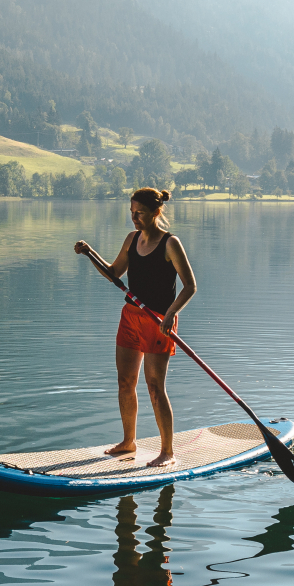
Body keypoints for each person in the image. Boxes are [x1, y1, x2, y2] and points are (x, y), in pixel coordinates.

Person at [73, 187, 197, 467]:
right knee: (125, 382)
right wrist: (90, 252)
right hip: (131, 316)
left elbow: (190, 286)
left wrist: (171, 314)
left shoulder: (170, 243)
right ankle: (129, 441)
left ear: (156, 212)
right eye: (131, 213)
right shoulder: (132, 239)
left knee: (155, 386)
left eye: (140, 213)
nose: (134, 218)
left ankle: (168, 452)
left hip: (159, 321)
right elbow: (114, 273)